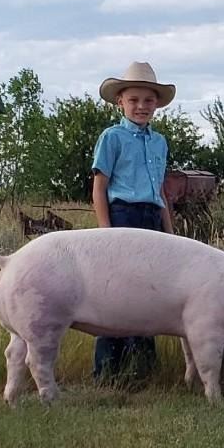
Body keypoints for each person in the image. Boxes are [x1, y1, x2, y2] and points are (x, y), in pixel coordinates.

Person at [91, 61, 176, 381]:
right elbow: (99, 187)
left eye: (148, 100)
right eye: (134, 100)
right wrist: (106, 231)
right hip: (123, 214)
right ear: (120, 102)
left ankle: (143, 369)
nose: (141, 106)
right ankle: (107, 370)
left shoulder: (159, 142)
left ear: (157, 104)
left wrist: (170, 233)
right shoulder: (112, 138)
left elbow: (160, 191)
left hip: (151, 216)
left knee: (148, 292)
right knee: (116, 292)